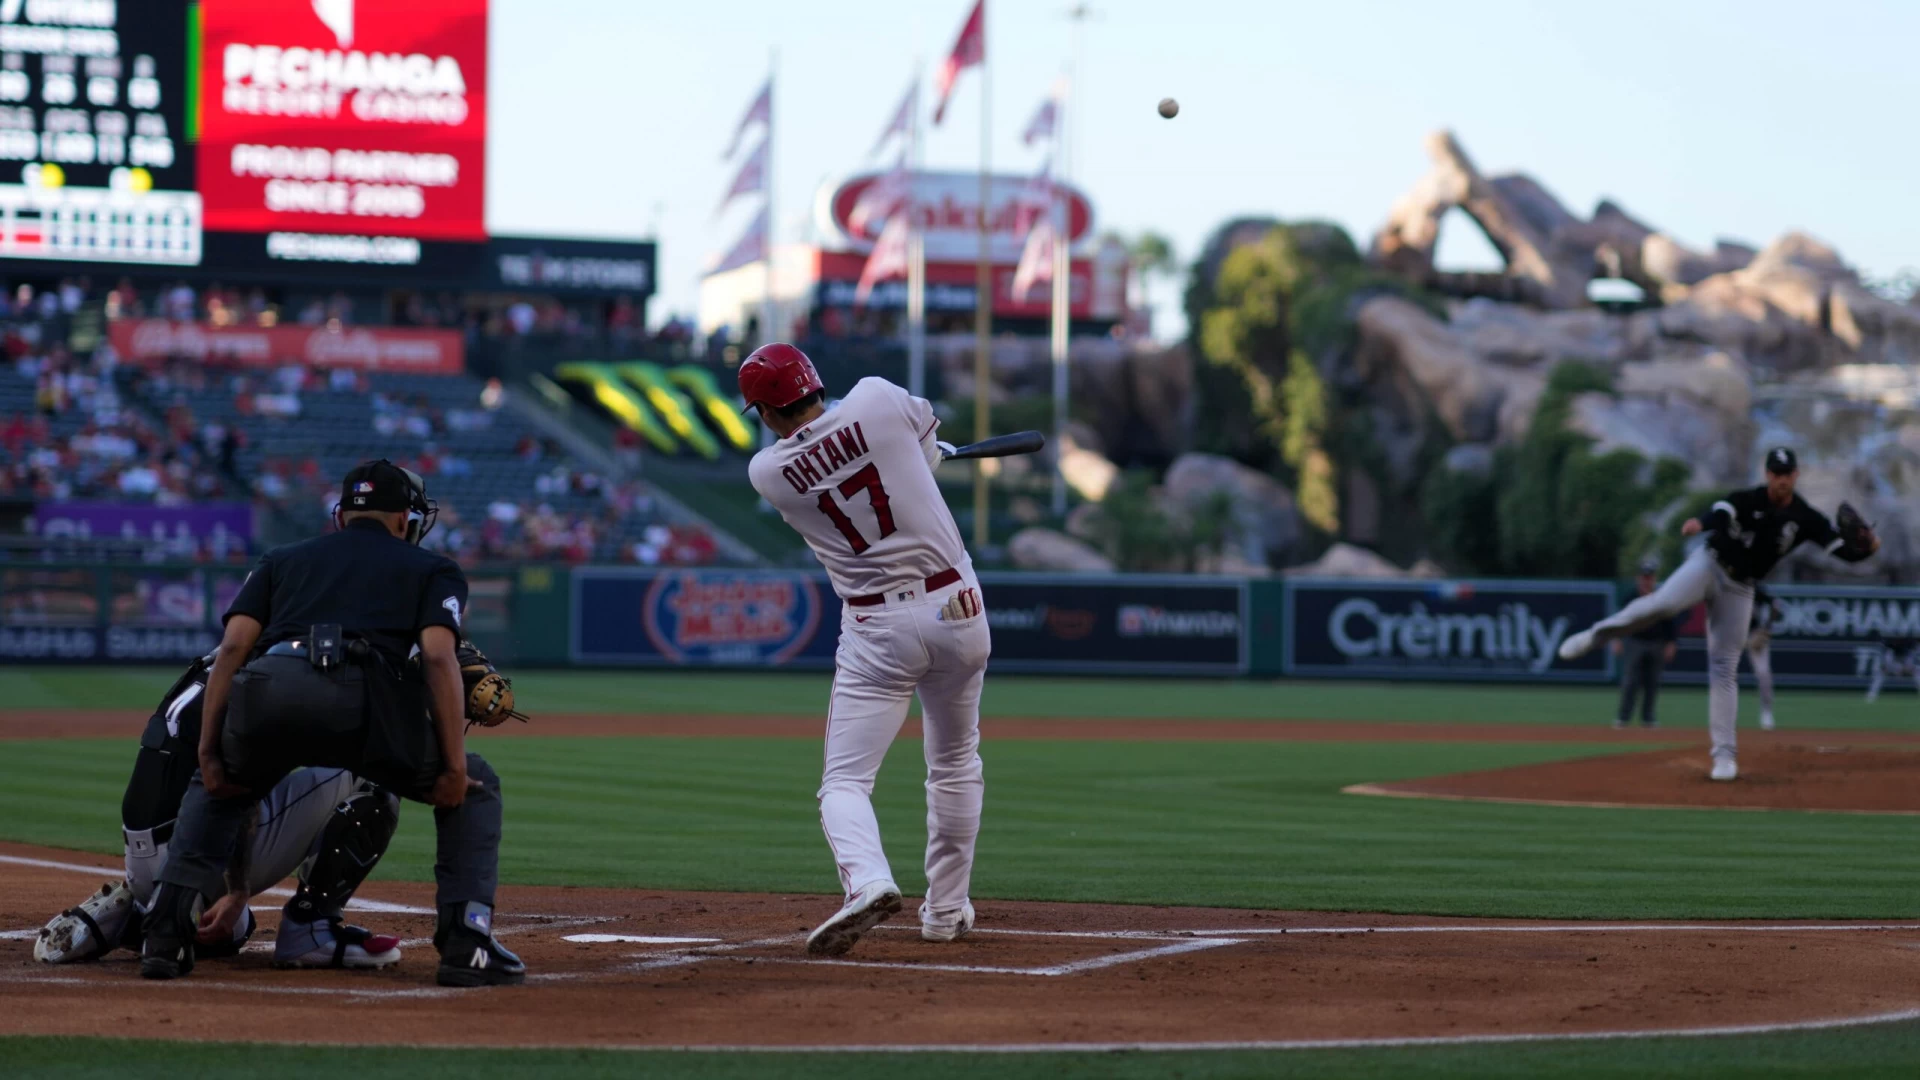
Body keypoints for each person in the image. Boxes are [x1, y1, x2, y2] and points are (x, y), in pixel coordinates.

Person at [139, 460, 523, 987]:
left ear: (342, 516)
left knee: (223, 786)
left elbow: (231, 649)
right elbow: (438, 659)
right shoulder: (433, 569)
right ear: (403, 520)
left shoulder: (281, 559)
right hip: (364, 702)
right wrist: (452, 768)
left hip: (269, 689)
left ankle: (164, 934)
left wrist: (211, 753)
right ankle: (466, 943)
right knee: (475, 786)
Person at [740, 343, 991, 956]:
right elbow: (925, 455)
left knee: (845, 782)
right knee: (955, 762)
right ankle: (946, 910)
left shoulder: (767, 473)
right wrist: (915, 451)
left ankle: (869, 880)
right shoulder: (877, 396)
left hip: (877, 628)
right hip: (957, 605)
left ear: (767, 413)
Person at [34, 652, 402, 968]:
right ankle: (312, 929)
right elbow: (237, 797)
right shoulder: (275, 675)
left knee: (234, 930)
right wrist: (237, 889)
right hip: (193, 862)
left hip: (144, 854)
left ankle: (140, 914)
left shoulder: (216, 661)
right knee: (374, 775)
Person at [1559, 447, 1878, 781]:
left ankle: (1724, 756)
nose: (1780, 479)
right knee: (1662, 605)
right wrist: (1702, 523)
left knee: (1725, 666)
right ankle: (1596, 635)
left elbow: (1846, 553)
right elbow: (1722, 513)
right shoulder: (1749, 498)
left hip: (1741, 588)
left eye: (1786, 474)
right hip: (1709, 564)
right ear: (1767, 474)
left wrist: (1871, 545)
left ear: (1796, 475)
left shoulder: (1806, 517)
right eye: (1775, 473)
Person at [1611, 557, 1678, 730]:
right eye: (1644, 576)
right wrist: (1617, 639)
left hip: (1657, 643)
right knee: (1630, 681)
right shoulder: (1630, 597)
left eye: (1650, 576)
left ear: (1654, 578)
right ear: (1638, 577)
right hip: (1635, 642)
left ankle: (1648, 718)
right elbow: (1619, 621)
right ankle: (1623, 717)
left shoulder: (1661, 597)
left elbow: (1670, 623)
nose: (1647, 579)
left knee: (1653, 682)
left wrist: (1671, 643)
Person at [1747, 585, 1783, 730]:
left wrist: (1767, 627)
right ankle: (1724, 719)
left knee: (1763, 674)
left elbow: (1776, 605)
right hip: (1732, 636)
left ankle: (1766, 713)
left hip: (1754, 635)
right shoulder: (1727, 588)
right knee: (1724, 675)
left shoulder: (1756, 590)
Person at [1865, 638, 1920, 703]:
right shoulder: (1889, 651)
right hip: (1893, 665)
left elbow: (1910, 665)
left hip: (1904, 665)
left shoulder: (1909, 650)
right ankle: (1872, 694)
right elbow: (1885, 666)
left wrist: (1905, 669)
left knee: (1917, 672)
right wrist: (1896, 669)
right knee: (1880, 673)